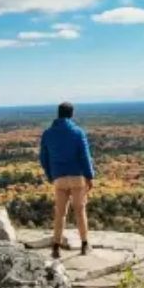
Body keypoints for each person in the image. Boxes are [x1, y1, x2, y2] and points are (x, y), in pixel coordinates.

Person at [39, 101, 95, 259]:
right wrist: (90, 177)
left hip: (59, 178)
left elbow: (43, 158)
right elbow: (85, 157)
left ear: (58, 114)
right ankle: (84, 245)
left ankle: (56, 247)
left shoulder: (48, 133)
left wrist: (51, 175)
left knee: (60, 213)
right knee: (80, 211)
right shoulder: (78, 132)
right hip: (77, 177)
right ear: (71, 114)